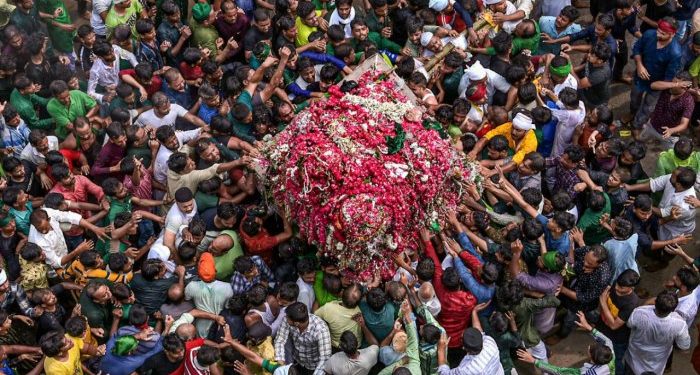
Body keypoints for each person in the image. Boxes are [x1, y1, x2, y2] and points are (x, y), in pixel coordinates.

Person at [625, 290, 691, 374]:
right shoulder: (680, 324)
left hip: (635, 356)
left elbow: (629, 324)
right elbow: (684, 347)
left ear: (655, 302)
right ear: (673, 309)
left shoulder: (640, 312)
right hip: (656, 362)